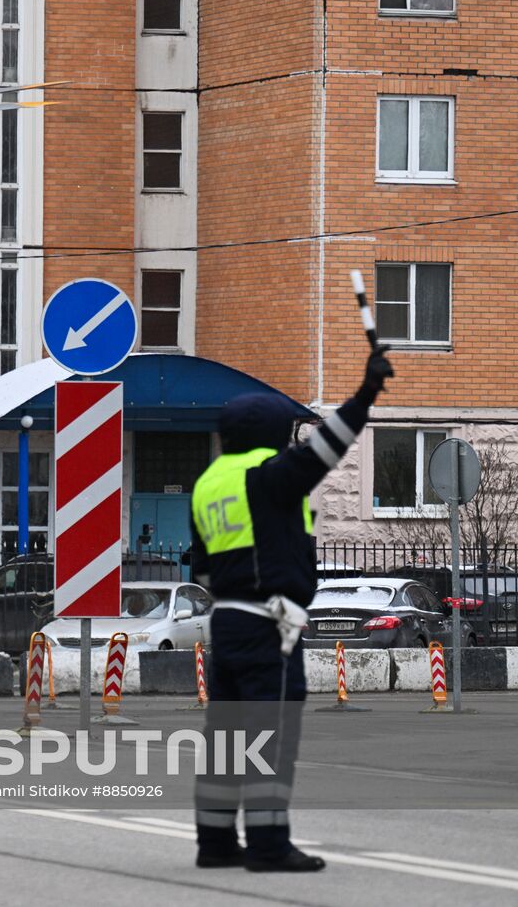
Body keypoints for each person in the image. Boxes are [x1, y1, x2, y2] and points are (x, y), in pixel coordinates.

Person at [189, 346, 394, 873]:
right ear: (272, 434)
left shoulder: (207, 484)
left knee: (226, 738)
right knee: (268, 737)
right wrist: (366, 394)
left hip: (226, 622)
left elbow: (202, 570)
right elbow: (325, 448)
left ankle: (215, 844)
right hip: (268, 625)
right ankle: (268, 846)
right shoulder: (268, 474)